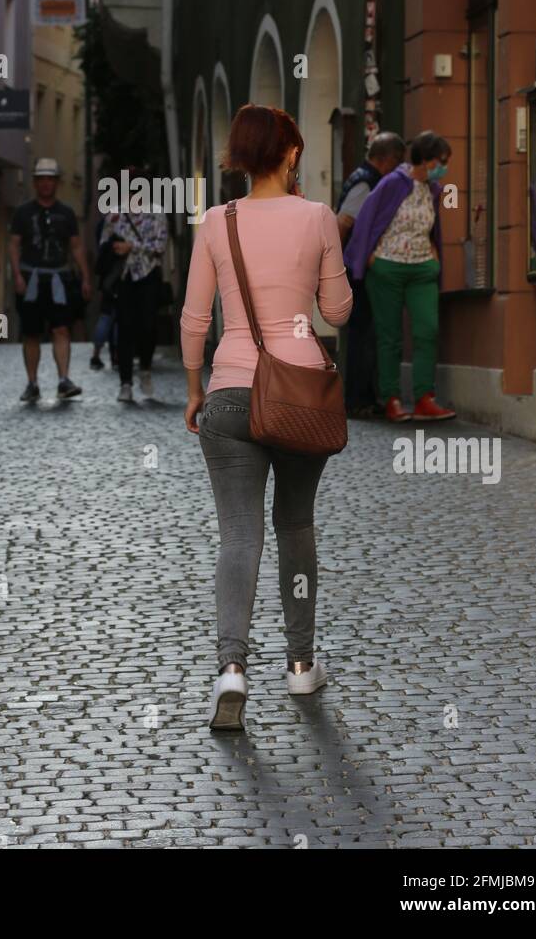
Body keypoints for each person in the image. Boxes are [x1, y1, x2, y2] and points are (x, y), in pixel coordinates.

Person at [180, 104, 352, 732]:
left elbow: (195, 318)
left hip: (228, 392)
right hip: (300, 394)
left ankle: (231, 670)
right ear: (291, 155)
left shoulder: (215, 222)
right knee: (295, 524)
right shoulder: (318, 218)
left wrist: (196, 389)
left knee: (238, 536)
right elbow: (336, 311)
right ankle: (301, 665)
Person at [344, 130, 456, 423]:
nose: (444, 167)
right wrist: (369, 257)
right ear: (426, 160)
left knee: (427, 331)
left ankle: (424, 397)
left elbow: (433, 227)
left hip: (421, 268)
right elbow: (367, 217)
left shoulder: (433, 189)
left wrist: (433, 255)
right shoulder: (393, 182)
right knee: (389, 336)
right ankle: (392, 398)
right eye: (441, 161)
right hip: (388, 268)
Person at [8, 158, 91, 402]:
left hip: (59, 279)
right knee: (31, 333)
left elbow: (76, 247)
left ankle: (63, 380)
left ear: (56, 183)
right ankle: (32, 382)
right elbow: (13, 245)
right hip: (31, 278)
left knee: (62, 329)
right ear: (35, 182)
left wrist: (85, 277)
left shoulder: (66, 213)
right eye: (41, 179)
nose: (46, 183)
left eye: (50, 179)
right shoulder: (23, 213)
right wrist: (16, 275)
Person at [335, 131, 406, 417]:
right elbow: (343, 222)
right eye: (398, 160)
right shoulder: (366, 182)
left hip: (357, 267)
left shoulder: (364, 177)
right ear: (387, 159)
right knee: (362, 334)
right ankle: (356, 400)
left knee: (365, 333)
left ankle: (363, 397)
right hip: (356, 269)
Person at [100, 169, 168, 402]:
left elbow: (159, 246)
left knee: (148, 327)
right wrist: (113, 248)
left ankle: (145, 370)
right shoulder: (114, 215)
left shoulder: (156, 214)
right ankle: (125, 383)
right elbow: (104, 245)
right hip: (124, 277)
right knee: (125, 329)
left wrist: (132, 247)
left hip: (148, 275)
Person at [90, 214, 119, 371]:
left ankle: (96, 354)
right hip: (122, 276)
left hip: (107, 278)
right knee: (118, 318)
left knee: (106, 316)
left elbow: (100, 246)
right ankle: (116, 356)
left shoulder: (105, 221)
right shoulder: (127, 218)